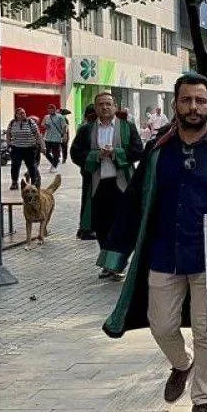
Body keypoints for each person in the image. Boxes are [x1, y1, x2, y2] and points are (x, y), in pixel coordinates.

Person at [100, 72, 207, 412]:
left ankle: (202, 401)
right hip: (163, 255)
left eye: (200, 101)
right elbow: (134, 200)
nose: (194, 107)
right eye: (187, 100)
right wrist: (116, 252)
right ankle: (182, 363)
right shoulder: (158, 151)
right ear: (176, 104)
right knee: (161, 325)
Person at [72, 92, 145, 279]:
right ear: (95, 108)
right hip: (97, 185)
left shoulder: (127, 127)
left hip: (122, 185)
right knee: (101, 226)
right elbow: (75, 153)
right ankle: (107, 264)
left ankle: (118, 264)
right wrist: (95, 155)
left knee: (122, 225)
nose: (105, 107)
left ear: (115, 107)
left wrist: (116, 153)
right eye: (101, 104)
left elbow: (138, 150)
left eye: (108, 104)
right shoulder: (86, 130)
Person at [76, 104, 98, 240]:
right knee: (89, 198)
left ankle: (86, 227)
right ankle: (86, 229)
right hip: (90, 170)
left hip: (92, 170)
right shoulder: (85, 129)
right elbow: (76, 152)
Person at [6, 107, 42, 190]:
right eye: (21, 113)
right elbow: (8, 133)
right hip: (16, 148)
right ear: (16, 115)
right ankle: (14, 182)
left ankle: (34, 183)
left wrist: (40, 145)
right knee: (15, 166)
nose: (23, 114)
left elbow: (37, 134)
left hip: (29, 148)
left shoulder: (30, 122)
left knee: (31, 166)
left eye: (24, 113)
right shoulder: (12, 123)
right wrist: (9, 142)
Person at [42, 104, 69, 173]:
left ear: (54, 109)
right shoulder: (46, 117)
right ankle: (54, 162)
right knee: (47, 153)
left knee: (55, 153)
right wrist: (45, 125)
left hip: (56, 137)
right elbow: (42, 124)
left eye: (52, 109)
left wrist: (65, 135)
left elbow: (64, 126)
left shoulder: (60, 117)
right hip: (47, 137)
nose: (50, 110)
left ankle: (54, 166)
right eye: (49, 109)